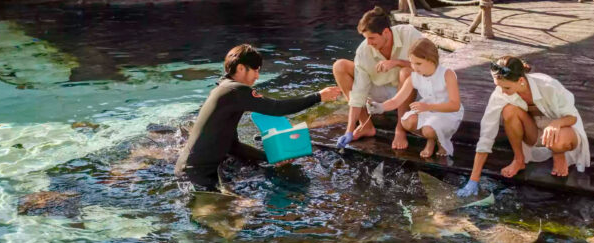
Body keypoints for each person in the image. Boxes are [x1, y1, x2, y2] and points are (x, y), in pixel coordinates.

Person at [175, 44, 341, 191]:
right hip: (197, 174)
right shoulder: (236, 90)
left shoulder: (224, 90)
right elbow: (277, 108)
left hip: (192, 172)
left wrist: (271, 157)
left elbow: (232, 146)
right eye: (255, 70)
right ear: (241, 68)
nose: (257, 76)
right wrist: (317, 96)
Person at [456, 56, 590, 197]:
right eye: (498, 86)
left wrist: (555, 124)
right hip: (534, 132)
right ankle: (519, 160)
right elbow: (486, 134)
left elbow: (572, 117)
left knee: (560, 140)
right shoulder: (500, 93)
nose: (502, 91)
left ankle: (559, 154)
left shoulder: (548, 86)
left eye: (506, 87)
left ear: (521, 81)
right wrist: (473, 179)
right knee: (509, 110)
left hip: (562, 130)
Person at [332, 6, 424, 151]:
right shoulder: (364, 50)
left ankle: (400, 129)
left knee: (406, 72)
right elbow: (358, 93)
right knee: (339, 66)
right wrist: (349, 130)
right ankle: (366, 125)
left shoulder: (410, 34)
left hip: (410, 91)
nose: (368, 43)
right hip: (379, 92)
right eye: (366, 38)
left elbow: (432, 65)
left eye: (372, 38)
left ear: (386, 32)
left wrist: (397, 62)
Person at [366, 38, 463, 158]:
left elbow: (455, 105)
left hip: (447, 112)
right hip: (427, 109)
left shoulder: (447, 74)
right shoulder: (414, 77)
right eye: (412, 63)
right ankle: (433, 138)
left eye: (418, 63)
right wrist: (380, 107)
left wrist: (428, 107)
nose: (414, 67)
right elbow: (396, 101)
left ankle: (434, 140)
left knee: (428, 129)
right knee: (407, 121)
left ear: (431, 60)